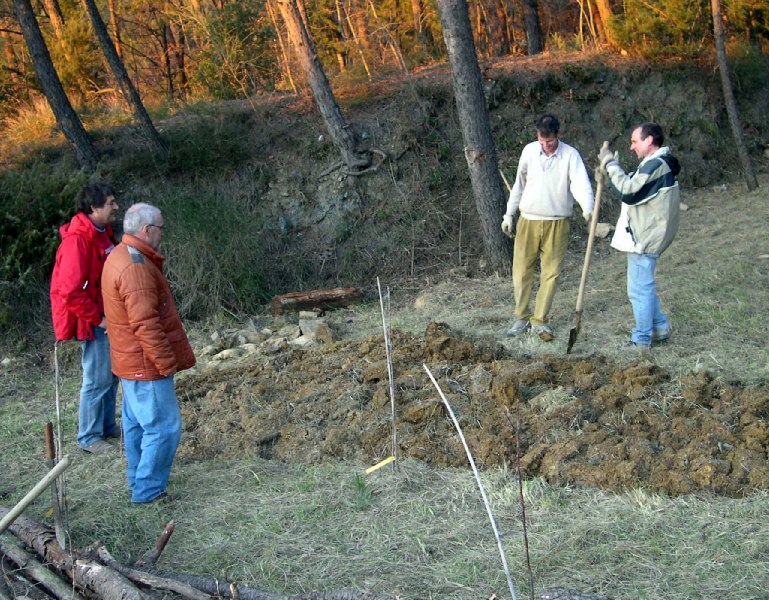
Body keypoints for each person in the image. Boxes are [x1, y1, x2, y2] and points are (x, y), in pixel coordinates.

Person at [101, 203, 196, 505]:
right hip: (145, 363)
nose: (162, 235)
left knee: (136, 423)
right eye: (160, 229)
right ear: (146, 230)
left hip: (129, 360)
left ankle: (138, 482)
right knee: (163, 427)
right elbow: (145, 323)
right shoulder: (136, 268)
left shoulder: (120, 255)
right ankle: (148, 491)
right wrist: (165, 363)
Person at [501, 114, 594, 341]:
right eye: (542, 142)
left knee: (550, 274)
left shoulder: (570, 155)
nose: (546, 146)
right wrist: (509, 214)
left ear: (557, 135)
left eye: (550, 142)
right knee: (521, 271)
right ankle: (521, 317)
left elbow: (581, 185)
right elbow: (518, 185)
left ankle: (540, 321)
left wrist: (588, 208)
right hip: (528, 221)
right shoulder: (529, 152)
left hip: (557, 222)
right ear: (537, 137)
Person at [50, 183, 120, 454]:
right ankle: (89, 437)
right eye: (110, 203)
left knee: (112, 374)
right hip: (91, 321)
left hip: (106, 315)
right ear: (93, 208)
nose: (115, 207)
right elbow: (69, 291)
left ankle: (105, 426)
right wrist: (99, 320)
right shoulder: (77, 241)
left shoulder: (102, 233)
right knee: (97, 378)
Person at [598, 122, 681, 350]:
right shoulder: (658, 164)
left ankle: (642, 339)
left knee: (638, 289)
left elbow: (629, 190)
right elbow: (629, 191)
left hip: (645, 237)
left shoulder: (656, 165)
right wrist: (607, 174)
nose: (631, 147)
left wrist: (611, 163)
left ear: (650, 141)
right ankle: (660, 327)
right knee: (644, 286)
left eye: (635, 141)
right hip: (648, 233)